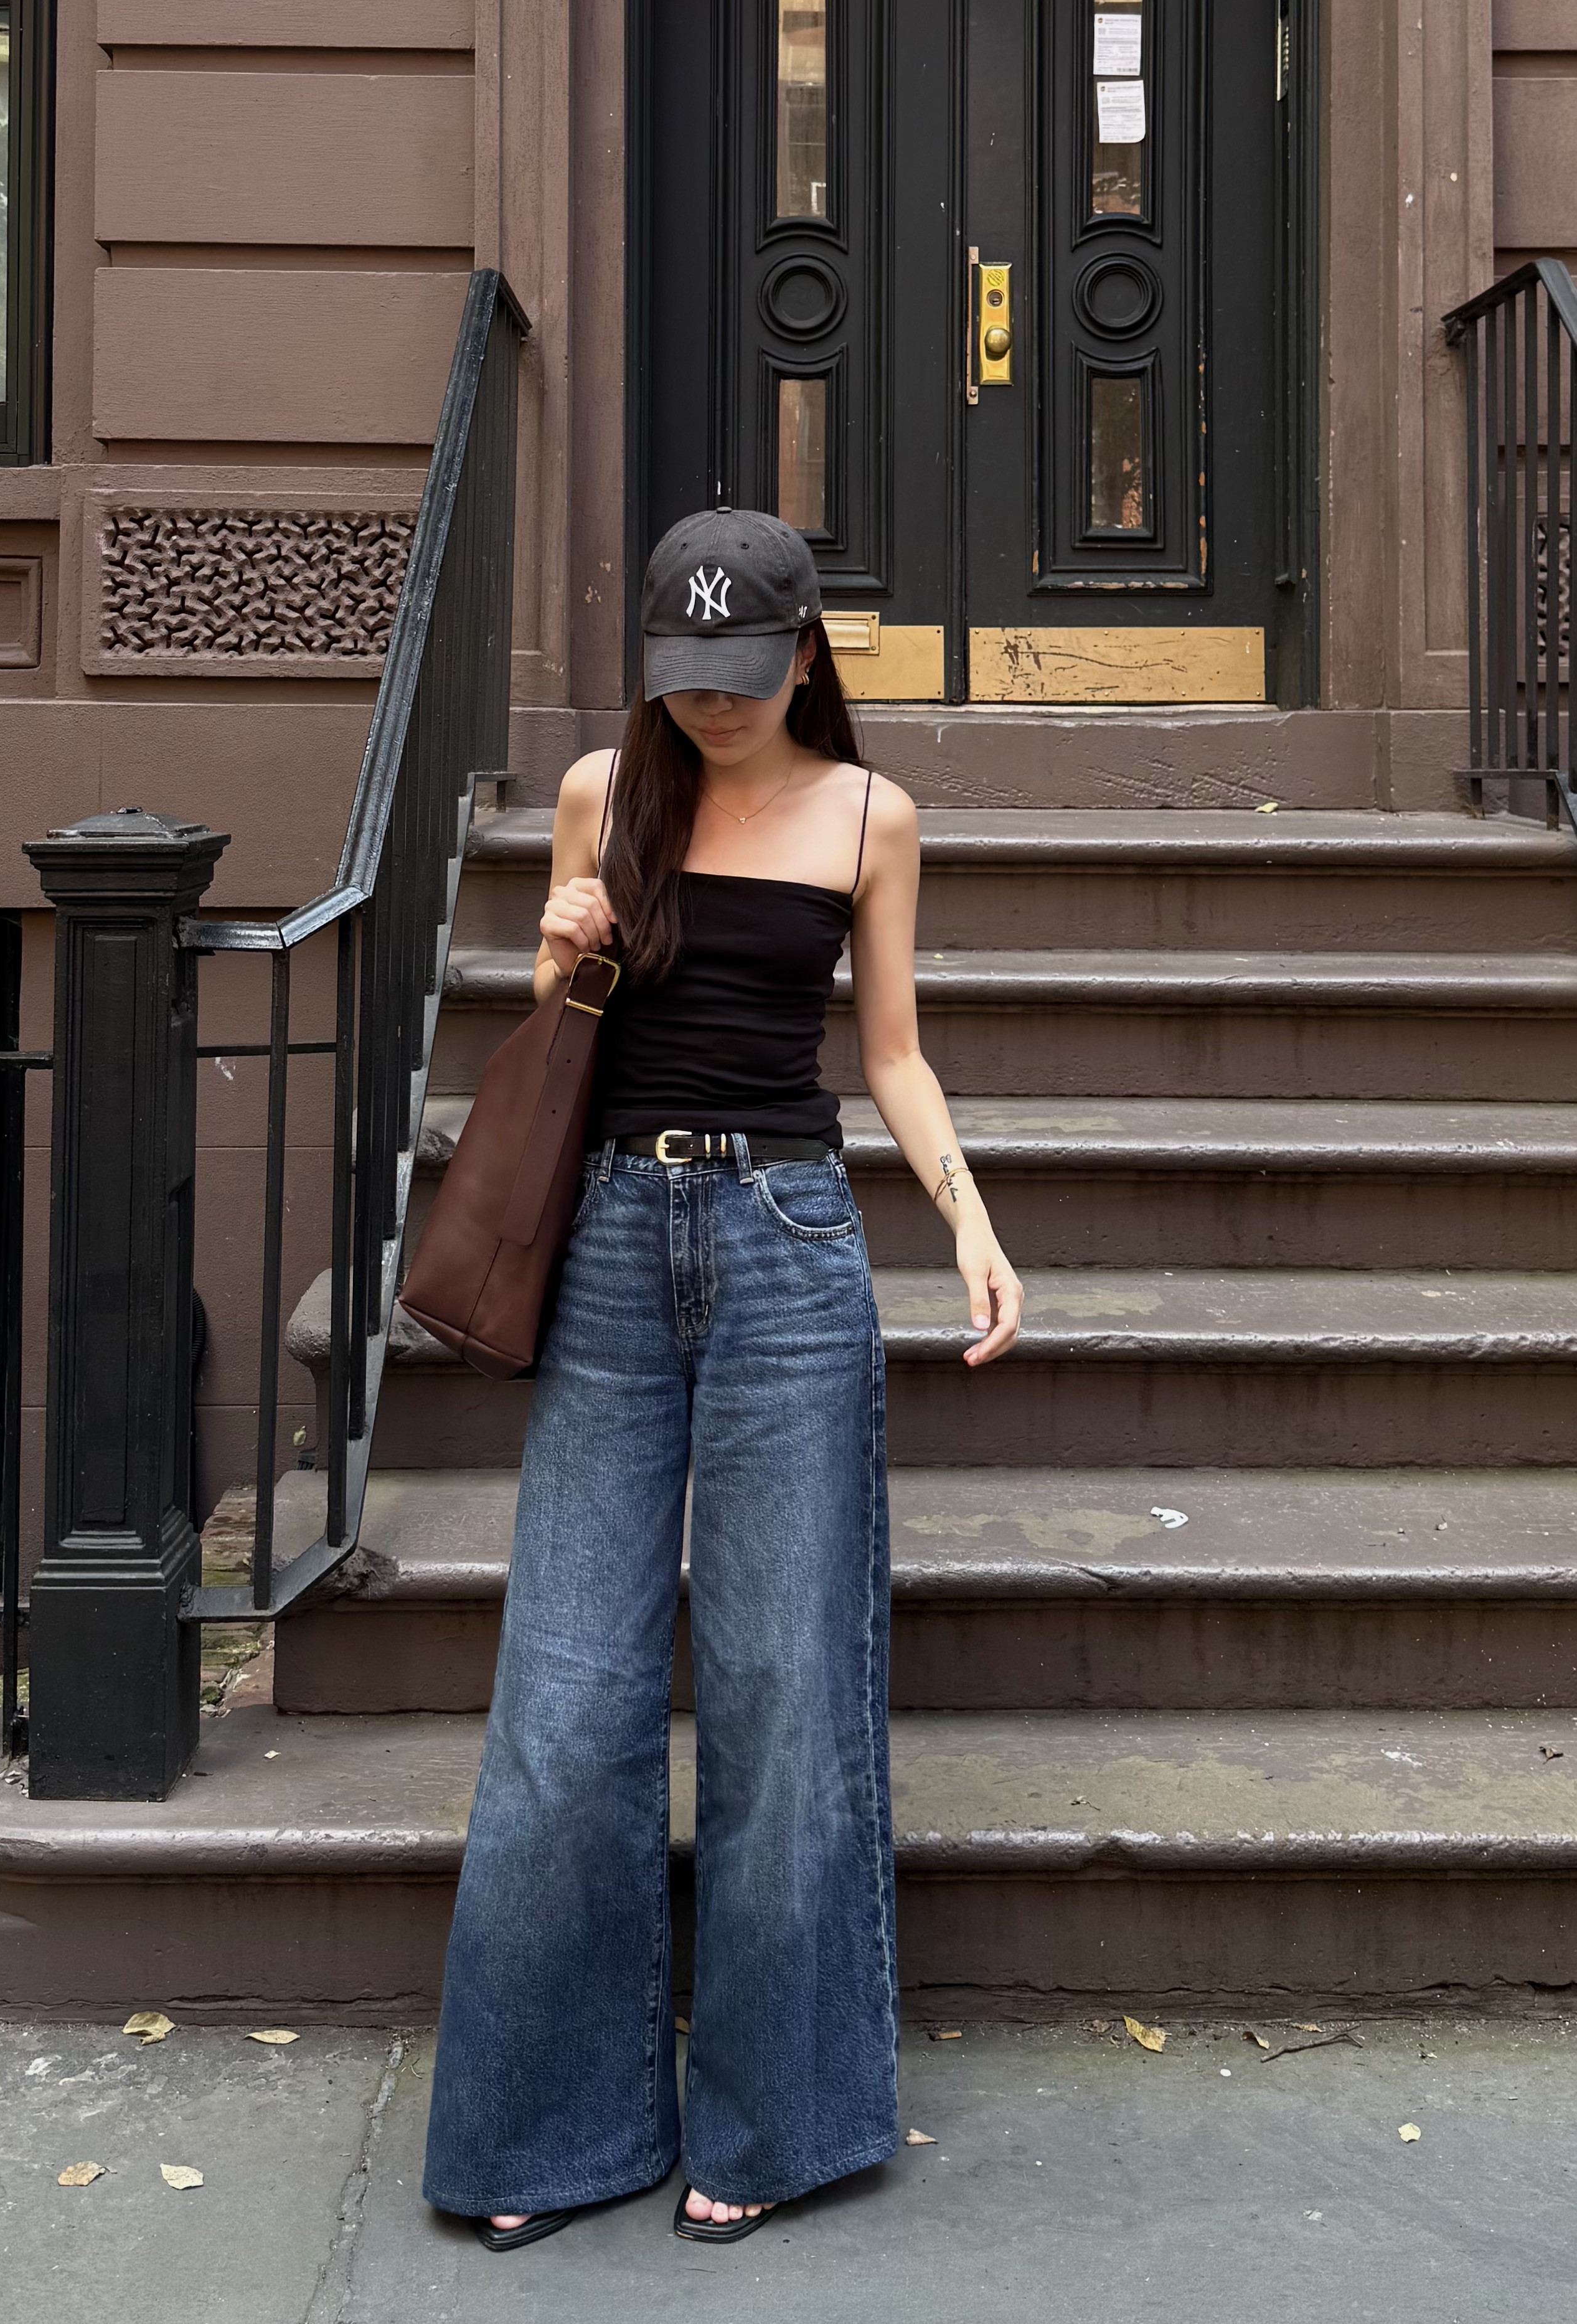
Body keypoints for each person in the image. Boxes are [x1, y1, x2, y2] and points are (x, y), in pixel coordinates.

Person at [420, 507, 1024, 2250]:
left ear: (802, 656)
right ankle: (546, 2132)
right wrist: (559, 955)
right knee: (565, 1698)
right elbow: (562, 1017)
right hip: (609, 1238)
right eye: (680, 683)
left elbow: (890, 1054)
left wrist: (968, 1226)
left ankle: (780, 2121)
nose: (709, 710)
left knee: (781, 1692)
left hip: (785, 1245)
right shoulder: (613, 791)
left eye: (739, 680)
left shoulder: (867, 816)